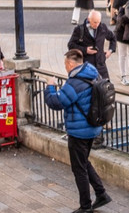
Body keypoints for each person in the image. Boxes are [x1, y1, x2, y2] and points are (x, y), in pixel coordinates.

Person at [44, 50, 111, 213]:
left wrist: (50, 87)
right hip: (92, 127)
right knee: (83, 161)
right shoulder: (94, 74)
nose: (65, 67)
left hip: (79, 132)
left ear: (71, 64)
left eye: (66, 64)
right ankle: (101, 194)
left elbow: (56, 102)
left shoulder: (74, 83)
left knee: (78, 168)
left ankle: (86, 206)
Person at [68, 10, 116, 81]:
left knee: (106, 88)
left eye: (98, 22)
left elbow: (113, 38)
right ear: (89, 19)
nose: (97, 25)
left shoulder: (102, 27)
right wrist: (85, 50)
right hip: (86, 66)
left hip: (101, 66)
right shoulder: (79, 29)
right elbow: (71, 45)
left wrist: (110, 50)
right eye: (94, 22)